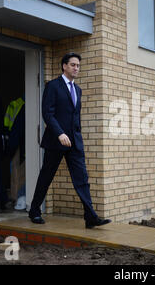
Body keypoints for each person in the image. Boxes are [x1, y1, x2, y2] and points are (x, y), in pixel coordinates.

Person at [28, 53, 111, 229]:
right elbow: (47, 113)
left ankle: (90, 217)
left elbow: (75, 116)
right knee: (46, 176)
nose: (76, 68)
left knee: (82, 178)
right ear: (64, 66)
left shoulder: (78, 90)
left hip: (74, 142)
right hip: (56, 141)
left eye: (78, 66)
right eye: (73, 65)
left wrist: (77, 136)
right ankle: (34, 211)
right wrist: (59, 133)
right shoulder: (53, 86)